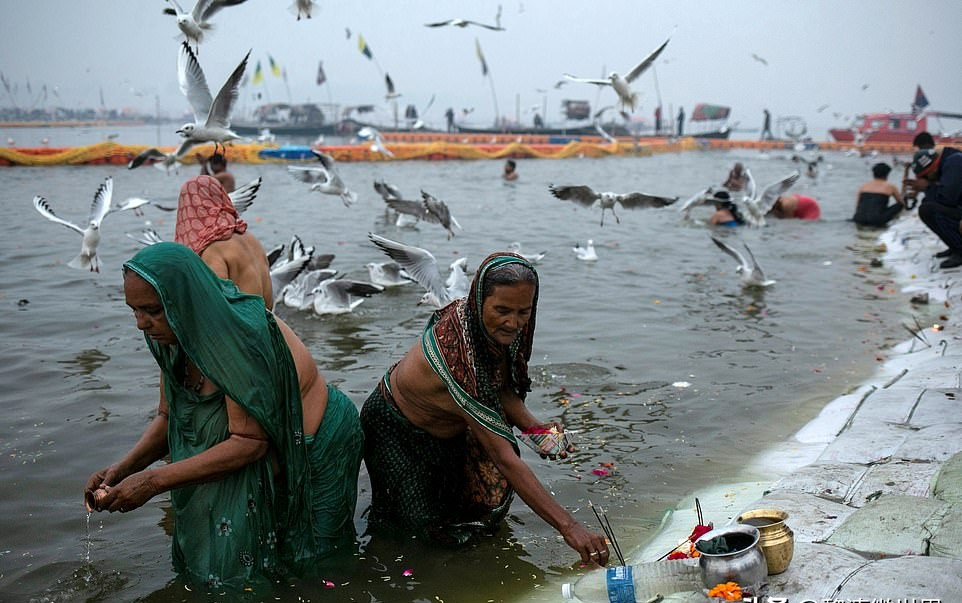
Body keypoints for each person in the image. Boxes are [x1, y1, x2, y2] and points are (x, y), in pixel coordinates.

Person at [84, 242, 364, 588]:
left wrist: (154, 481)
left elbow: (249, 443)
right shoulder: (169, 336)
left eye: (152, 310)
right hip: (268, 446)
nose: (141, 323)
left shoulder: (236, 338)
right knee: (270, 556)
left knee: (315, 564)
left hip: (319, 441)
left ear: (182, 301)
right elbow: (167, 416)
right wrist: (123, 469)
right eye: (134, 310)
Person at [359, 253, 610, 566]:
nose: (513, 322)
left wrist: (535, 430)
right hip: (394, 428)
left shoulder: (496, 332)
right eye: (502, 310)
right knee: (416, 534)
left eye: (523, 311)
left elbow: (500, 387)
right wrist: (569, 527)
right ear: (479, 301)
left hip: (448, 424)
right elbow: (503, 457)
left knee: (463, 515)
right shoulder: (458, 356)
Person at [174, 175, 275, 310]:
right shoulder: (251, 239)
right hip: (265, 324)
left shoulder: (213, 249)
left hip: (240, 329)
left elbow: (215, 308)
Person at [909, 146, 962, 268]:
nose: (926, 179)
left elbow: (947, 200)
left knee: (928, 210)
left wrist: (927, 187)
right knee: (927, 204)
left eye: (926, 176)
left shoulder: (954, 162)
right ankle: (955, 246)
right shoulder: (950, 161)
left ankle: (959, 250)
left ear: (932, 168)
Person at [852, 162, 905, 227]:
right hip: (877, 220)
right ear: (887, 174)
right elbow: (901, 203)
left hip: (859, 218)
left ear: (873, 174)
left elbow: (857, 205)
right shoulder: (890, 186)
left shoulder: (863, 186)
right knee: (899, 205)